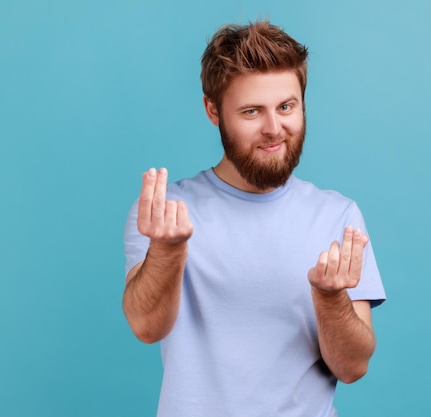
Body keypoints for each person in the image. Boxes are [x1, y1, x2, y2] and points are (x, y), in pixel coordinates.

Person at [123, 20, 386, 417]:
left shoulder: (338, 215)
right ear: (213, 110)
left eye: (286, 107)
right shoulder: (168, 212)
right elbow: (147, 327)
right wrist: (168, 250)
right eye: (251, 111)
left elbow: (352, 368)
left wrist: (331, 298)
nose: (273, 129)